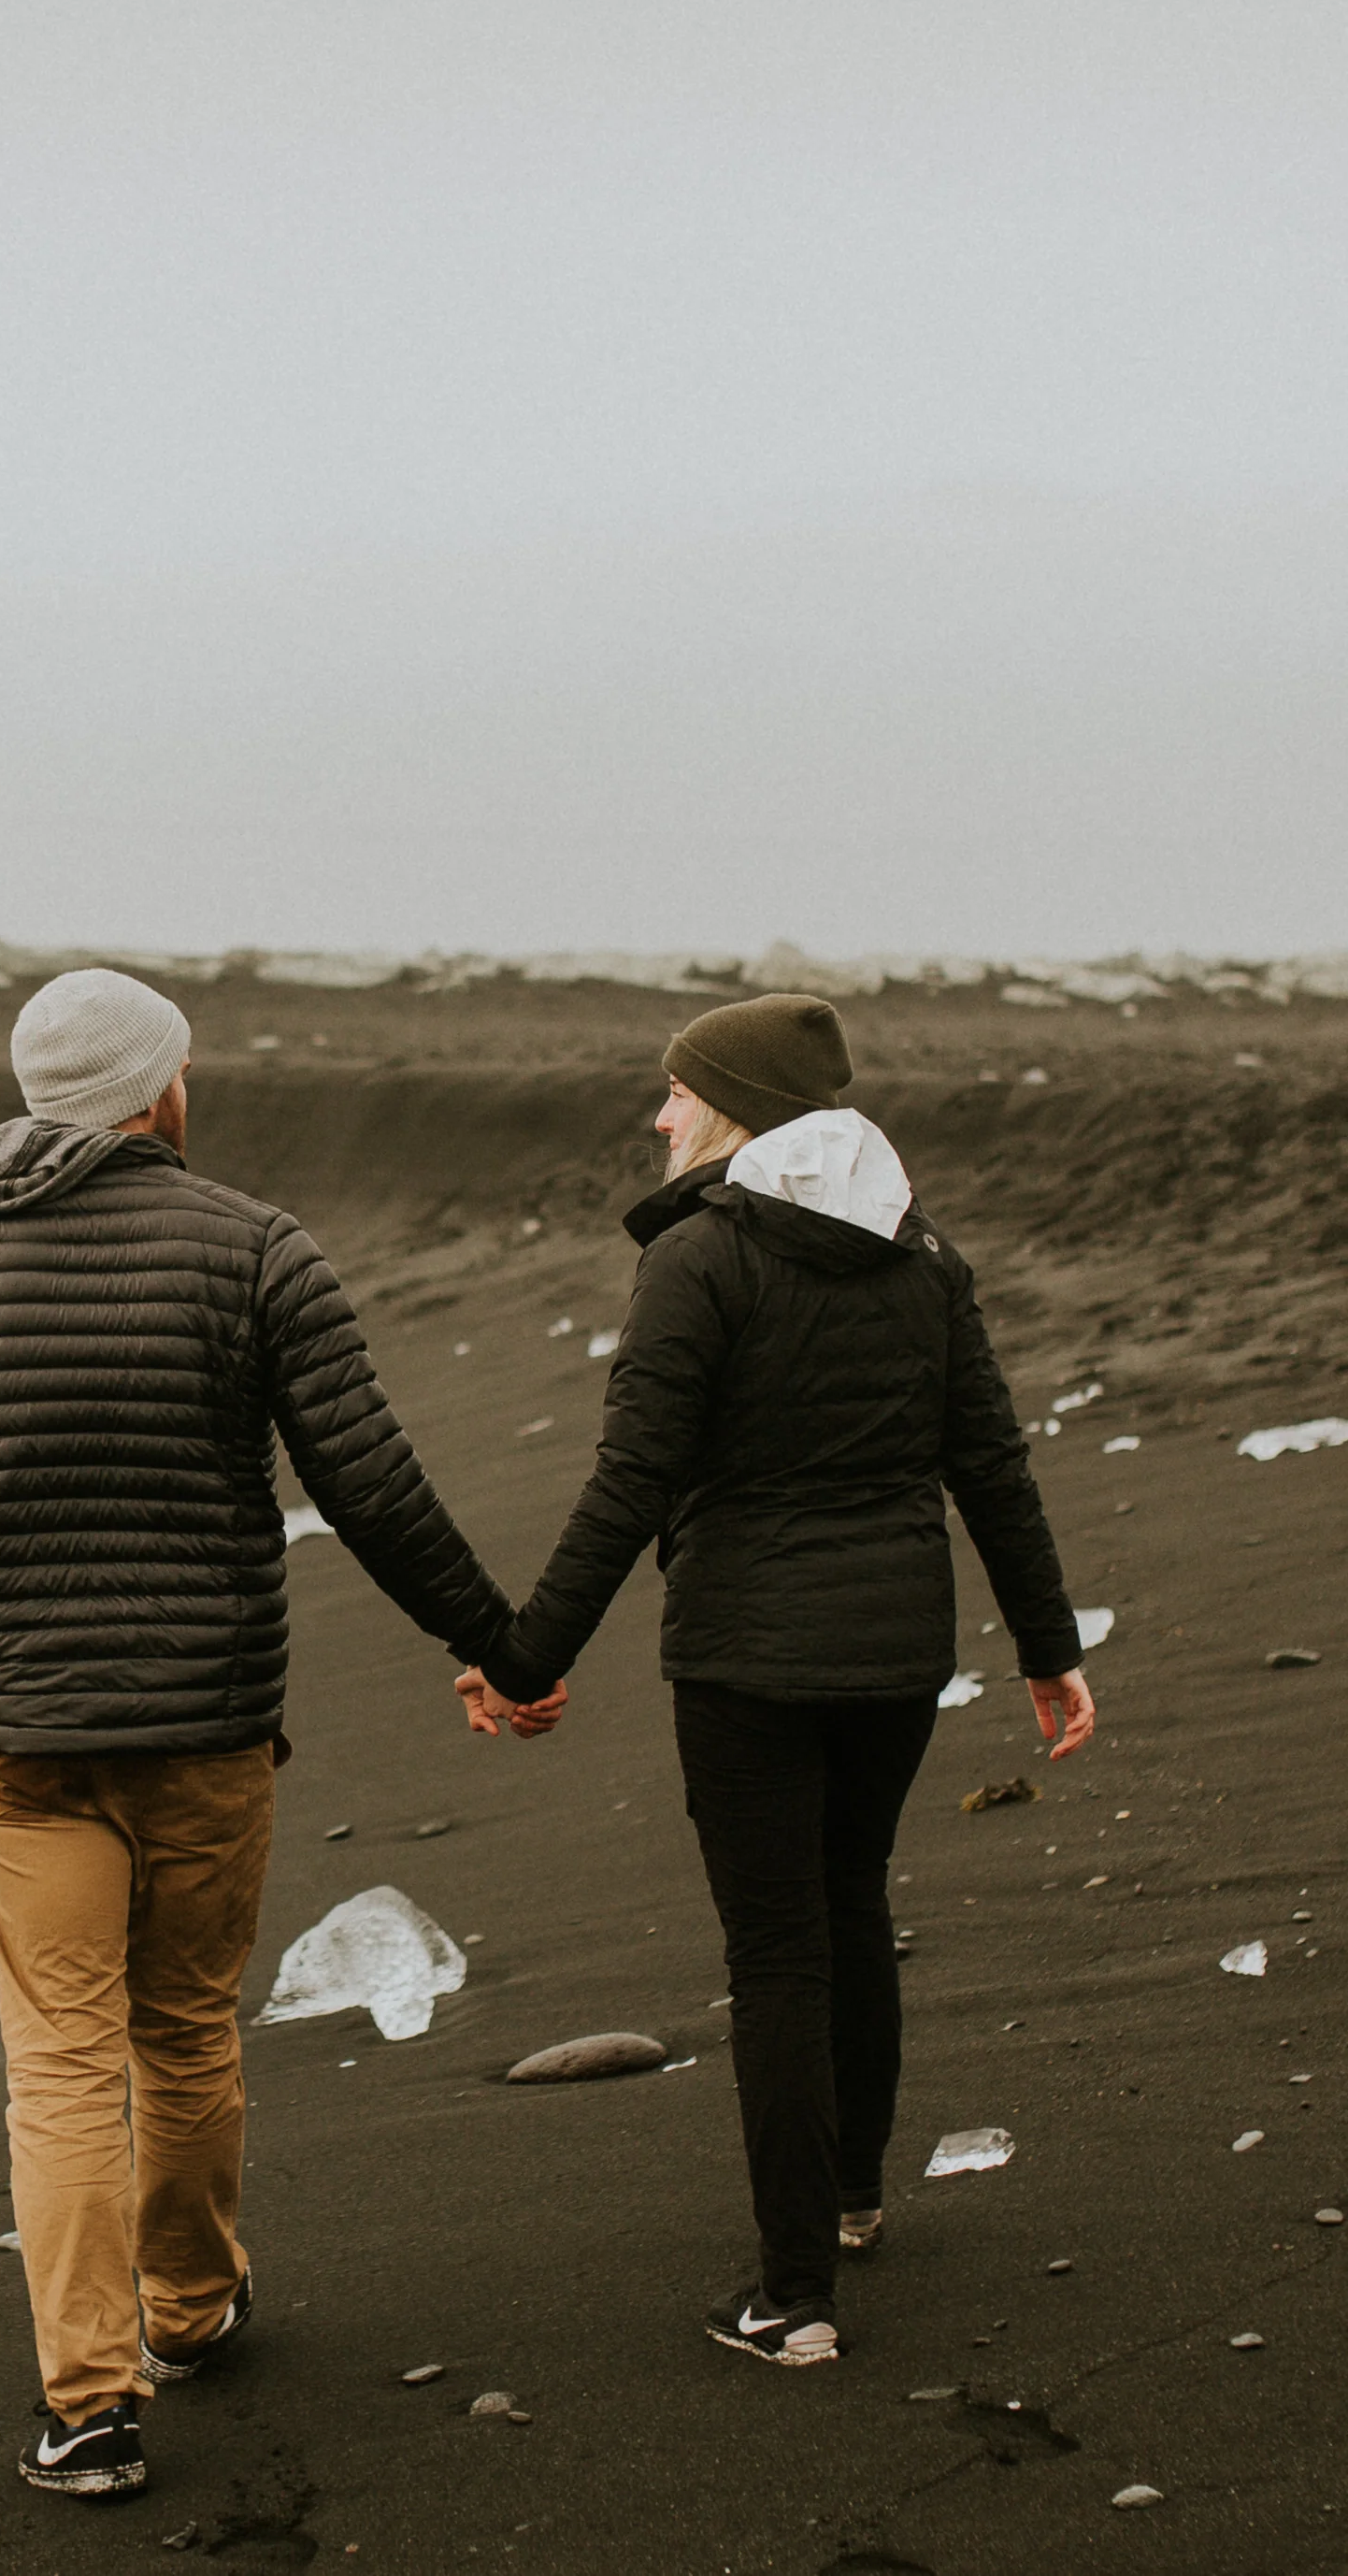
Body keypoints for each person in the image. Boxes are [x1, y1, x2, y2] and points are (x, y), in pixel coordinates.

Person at [0, 967, 563, 2499]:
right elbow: (369, 1481)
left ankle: (88, 2405)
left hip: (21, 1735)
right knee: (181, 2026)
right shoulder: (254, 1246)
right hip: (207, 1724)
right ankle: (191, 2302)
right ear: (159, 1091)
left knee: (56, 2059)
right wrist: (505, 1647)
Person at [456, 991, 1094, 2367]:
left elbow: (632, 1479)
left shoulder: (704, 1259)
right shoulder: (922, 1251)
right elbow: (990, 1462)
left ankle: (792, 2292)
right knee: (850, 1901)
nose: (659, 1114)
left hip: (749, 1659)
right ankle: (853, 2196)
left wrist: (522, 1656)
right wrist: (1049, 1648)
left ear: (739, 1106)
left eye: (677, 1092)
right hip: (895, 1657)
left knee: (779, 1949)